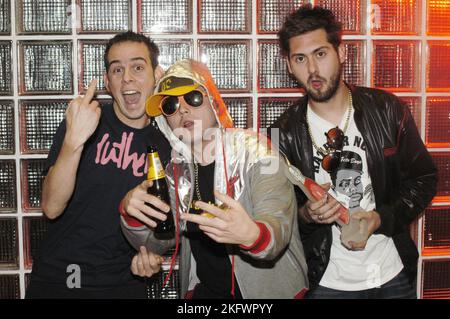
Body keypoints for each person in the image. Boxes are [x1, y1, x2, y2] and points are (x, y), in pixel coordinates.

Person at [270, 4, 437, 299]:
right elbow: (272, 214)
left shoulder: (387, 109)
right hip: (326, 281)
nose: (312, 70)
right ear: (289, 65)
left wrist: (380, 218)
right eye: (300, 58)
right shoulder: (276, 134)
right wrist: (307, 215)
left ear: (341, 53)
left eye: (320, 54)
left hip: (391, 273)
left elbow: (424, 178)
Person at [119, 59, 308, 299]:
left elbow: (278, 223)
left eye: (193, 98)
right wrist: (130, 214)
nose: (183, 109)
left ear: (214, 102)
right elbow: (159, 242)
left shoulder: (256, 151)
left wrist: (253, 235)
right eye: (170, 105)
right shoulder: (176, 173)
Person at [26, 31, 171, 298]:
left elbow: (162, 228)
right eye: (117, 70)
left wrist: (152, 255)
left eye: (138, 67)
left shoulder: (167, 144)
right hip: (59, 279)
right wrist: (74, 141)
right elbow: (51, 207)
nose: (127, 77)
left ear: (156, 76)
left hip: (125, 283)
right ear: (107, 81)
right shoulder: (86, 119)